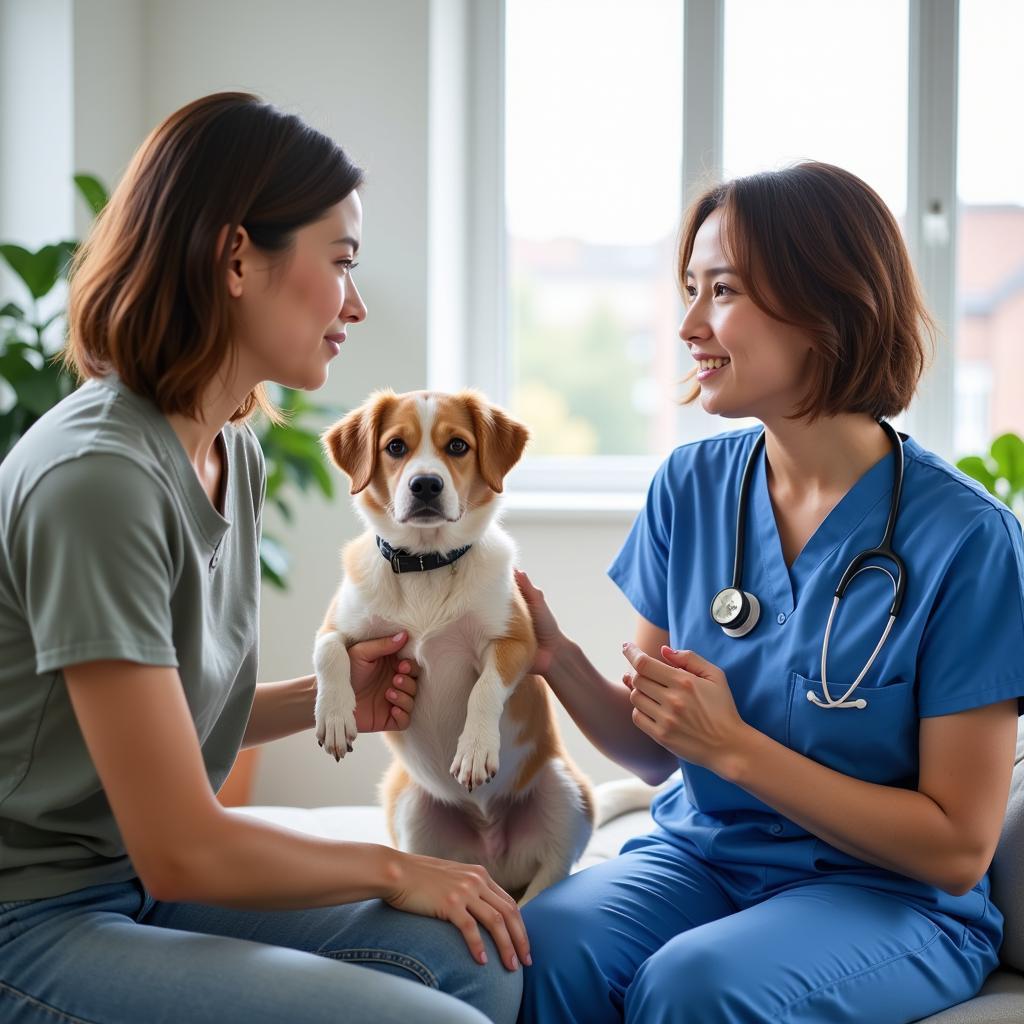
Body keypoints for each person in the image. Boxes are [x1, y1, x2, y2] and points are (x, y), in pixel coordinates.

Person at [0, 92, 526, 1024]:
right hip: (30, 912)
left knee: (476, 960)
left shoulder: (226, 443)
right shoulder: (97, 479)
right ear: (238, 257)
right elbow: (183, 849)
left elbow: (156, 728)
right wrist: (396, 867)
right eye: (342, 263)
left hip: (132, 874)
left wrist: (324, 699)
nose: (356, 304)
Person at [514, 162, 1024, 1023]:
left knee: (694, 987)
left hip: (890, 894)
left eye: (721, 291)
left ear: (827, 307)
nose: (687, 325)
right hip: (702, 860)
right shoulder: (692, 487)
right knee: (541, 948)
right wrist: (553, 658)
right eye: (689, 289)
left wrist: (738, 750)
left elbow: (959, 847)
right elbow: (659, 753)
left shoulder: (967, 540)